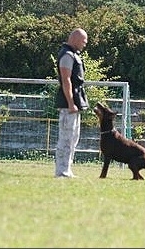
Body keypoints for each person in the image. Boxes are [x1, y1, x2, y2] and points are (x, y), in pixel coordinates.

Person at [54, 28, 89, 178]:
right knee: (66, 138)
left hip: (75, 102)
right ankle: (62, 171)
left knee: (73, 138)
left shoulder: (74, 55)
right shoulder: (67, 55)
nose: (85, 44)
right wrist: (70, 103)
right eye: (83, 41)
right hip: (69, 104)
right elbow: (66, 80)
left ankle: (67, 169)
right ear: (74, 39)